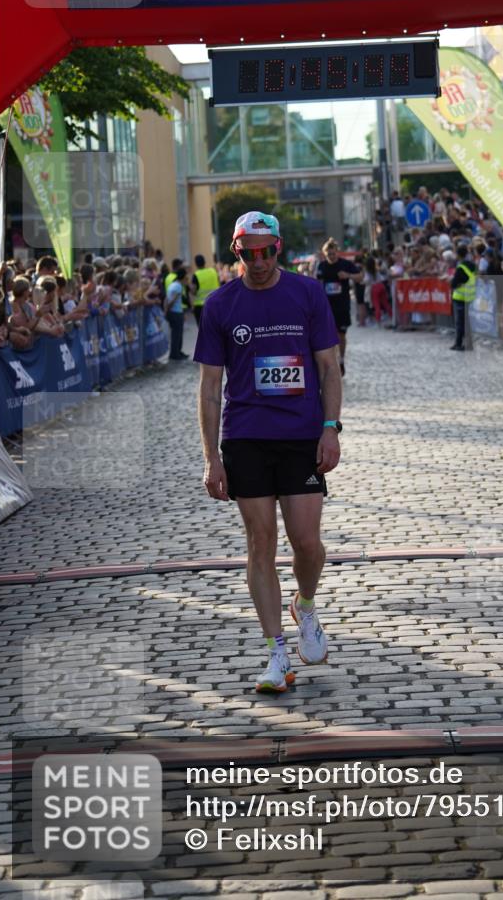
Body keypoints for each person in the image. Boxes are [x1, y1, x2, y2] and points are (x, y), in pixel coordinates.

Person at [194, 211, 342, 694]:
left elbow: (329, 368)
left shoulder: (307, 293)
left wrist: (330, 429)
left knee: (306, 543)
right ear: (235, 251)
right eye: (247, 253)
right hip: (246, 437)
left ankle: (306, 603)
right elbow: (210, 387)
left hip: (301, 436)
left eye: (267, 252)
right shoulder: (219, 305)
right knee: (260, 543)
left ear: (279, 248)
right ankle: (276, 650)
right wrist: (211, 456)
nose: (258, 262)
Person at [315, 238, 363, 376]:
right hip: (327, 306)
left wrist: (347, 275)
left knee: (341, 335)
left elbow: (360, 276)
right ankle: (332, 362)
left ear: (337, 253)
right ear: (325, 254)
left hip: (342, 304)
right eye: (329, 254)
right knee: (329, 335)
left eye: (333, 254)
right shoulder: (322, 266)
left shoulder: (345, 264)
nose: (331, 256)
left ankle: (341, 360)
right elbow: (318, 283)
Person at [450, 243, 476, 351]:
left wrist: (452, 282)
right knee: (468, 323)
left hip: (460, 298)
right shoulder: (473, 265)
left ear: (458, 254)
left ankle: (458, 343)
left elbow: (454, 283)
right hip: (470, 297)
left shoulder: (461, 267)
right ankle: (469, 344)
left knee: (459, 323)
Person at [164, 267, 188, 360]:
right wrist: (168, 310)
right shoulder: (178, 286)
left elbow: (166, 298)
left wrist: (166, 310)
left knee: (177, 333)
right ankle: (175, 354)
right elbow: (172, 300)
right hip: (176, 312)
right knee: (177, 334)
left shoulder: (173, 284)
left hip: (175, 311)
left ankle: (178, 351)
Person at [191, 254, 220, 326]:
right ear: (204, 262)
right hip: (215, 304)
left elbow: (193, 292)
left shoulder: (196, 275)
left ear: (196, 264)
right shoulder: (213, 271)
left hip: (200, 306)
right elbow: (219, 284)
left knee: (203, 329)